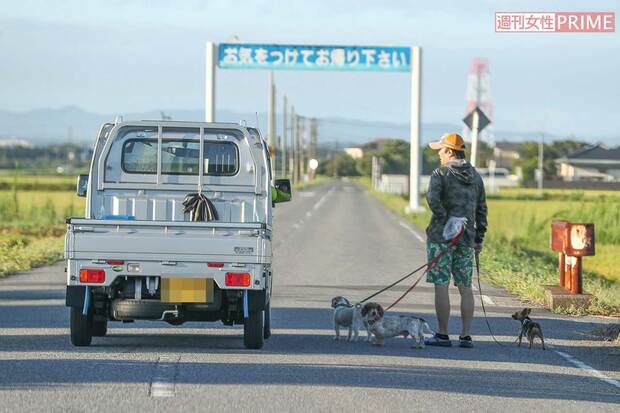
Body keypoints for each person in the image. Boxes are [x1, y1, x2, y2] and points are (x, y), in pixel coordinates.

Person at [423, 133, 488, 348]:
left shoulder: (440, 173)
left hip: (441, 237)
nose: (439, 155)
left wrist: (445, 220)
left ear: (450, 151)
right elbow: (482, 210)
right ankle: (466, 335)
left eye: (441, 150)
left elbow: (433, 200)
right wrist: (478, 238)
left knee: (441, 285)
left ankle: (442, 334)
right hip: (467, 238)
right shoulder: (476, 177)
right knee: (465, 286)